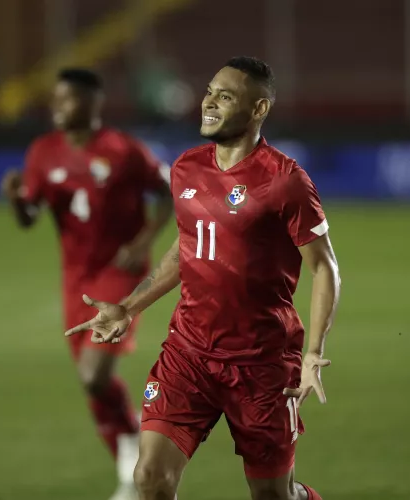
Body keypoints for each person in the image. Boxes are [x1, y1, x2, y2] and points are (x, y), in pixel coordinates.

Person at [66, 56, 341, 500]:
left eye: (226, 96)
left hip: (262, 364)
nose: (209, 102)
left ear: (258, 111)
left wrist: (313, 354)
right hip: (188, 354)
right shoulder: (187, 168)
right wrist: (129, 305)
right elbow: (187, 248)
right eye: (211, 91)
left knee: (273, 494)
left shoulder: (286, 181)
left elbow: (324, 266)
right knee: (150, 479)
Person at [1, 69, 173, 500]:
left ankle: (135, 447)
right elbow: (29, 217)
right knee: (90, 383)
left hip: (120, 273)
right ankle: (130, 474)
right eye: (55, 99)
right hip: (75, 279)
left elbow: (168, 192)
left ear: (94, 104)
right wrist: (14, 201)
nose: (57, 107)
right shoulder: (43, 152)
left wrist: (144, 241)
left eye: (68, 99)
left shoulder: (123, 150)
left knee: (94, 374)